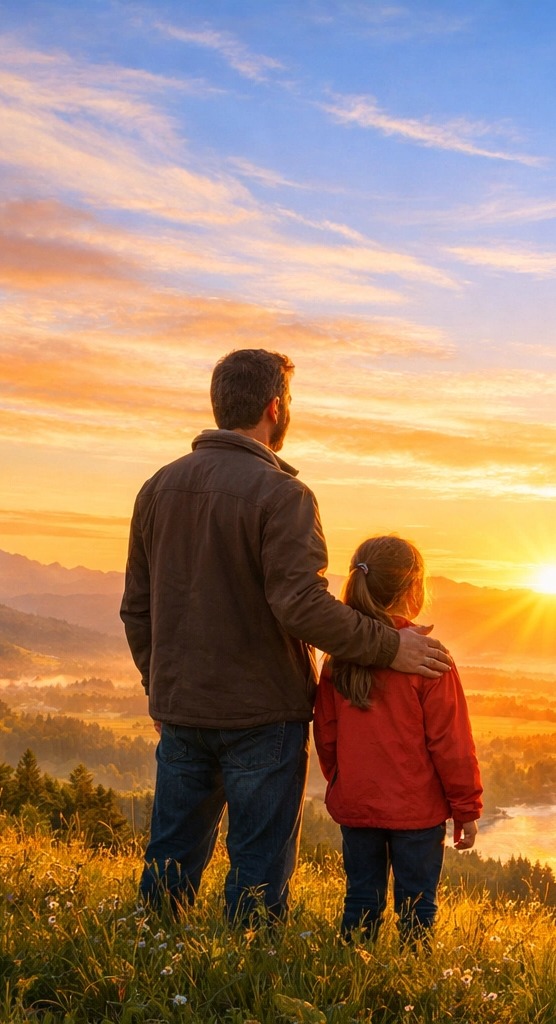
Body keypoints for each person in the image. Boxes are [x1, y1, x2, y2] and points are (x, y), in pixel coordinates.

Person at [121, 348, 453, 922]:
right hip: (261, 717)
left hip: (181, 711)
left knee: (171, 858)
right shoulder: (282, 495)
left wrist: (159, 685)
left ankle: (150, 956)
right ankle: (249, 980)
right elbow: (300, 605)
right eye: (291, 401)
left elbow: (137, 610)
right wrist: (390, 646)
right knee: (258, 868)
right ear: (276, 408)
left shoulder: (158, 488)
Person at [313, 535, 482, 943]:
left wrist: (345, 781)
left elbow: (327, 737)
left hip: (358, 806)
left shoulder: (340, 659)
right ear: (414, 589)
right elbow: (452, 744)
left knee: (360, 903)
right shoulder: (429, 658)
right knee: (417, 910)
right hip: (417, 813)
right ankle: (410, 988)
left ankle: (353, 979)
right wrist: (466, 807)